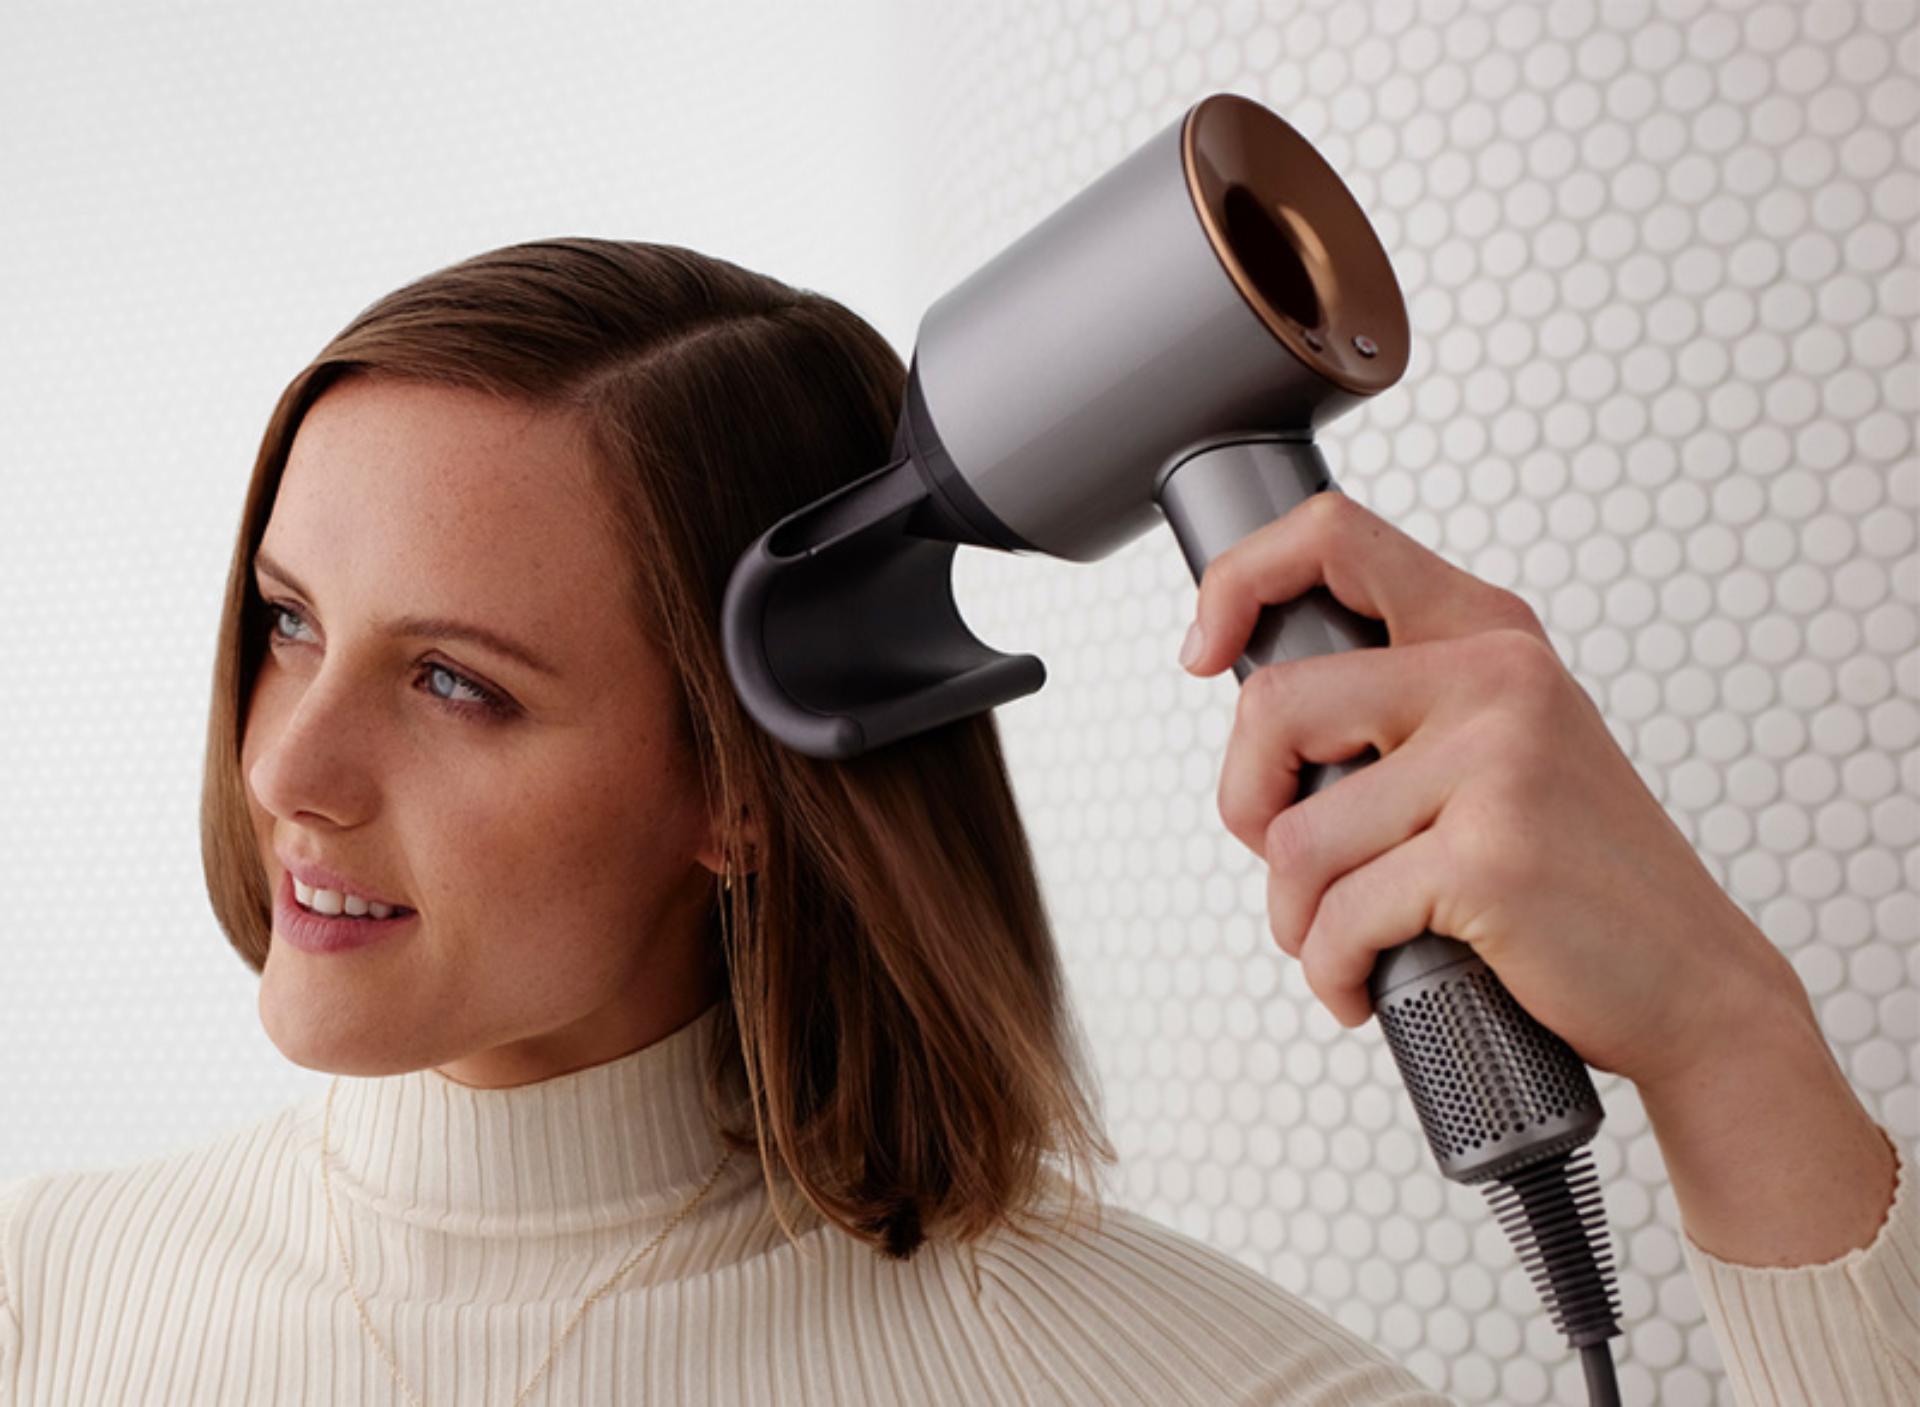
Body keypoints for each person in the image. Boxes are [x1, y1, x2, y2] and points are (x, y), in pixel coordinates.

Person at [0, 238, 1909, 1406]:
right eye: (287, 624)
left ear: (742, 788)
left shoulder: (1182, 1386)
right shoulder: (45, 1294)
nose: (290, 767)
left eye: (453, 683)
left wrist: (1727, 1036)